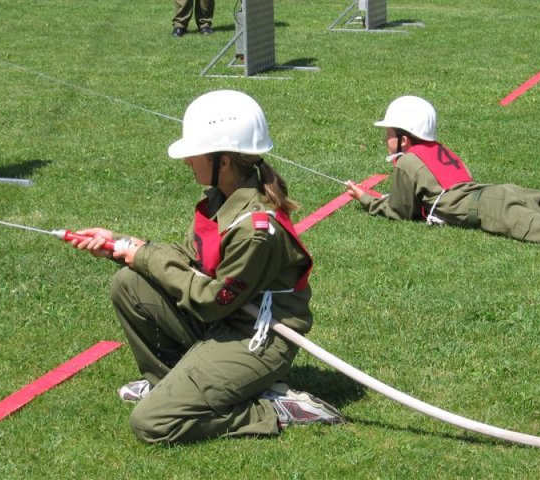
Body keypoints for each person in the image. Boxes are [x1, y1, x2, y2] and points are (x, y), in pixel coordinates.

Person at [70, 90, 345, 444]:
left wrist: (143, 254)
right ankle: (166, 384)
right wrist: (120, 244)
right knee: (129, 283)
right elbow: (191, 261)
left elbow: (212, 300)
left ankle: (271, 410)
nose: (187, 161)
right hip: (226, 319)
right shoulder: (219, 197)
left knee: (151, 423)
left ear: (224, 161)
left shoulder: (255, 230)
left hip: (253, 337)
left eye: (194, 152)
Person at [346, 95, 540, 256]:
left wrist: (366, 199)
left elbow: (399, 211)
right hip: (500, 192)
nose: (385, 139)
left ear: (404, 139)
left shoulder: (407, 161)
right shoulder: (436, 149)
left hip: (490, 207)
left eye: (388, 133)